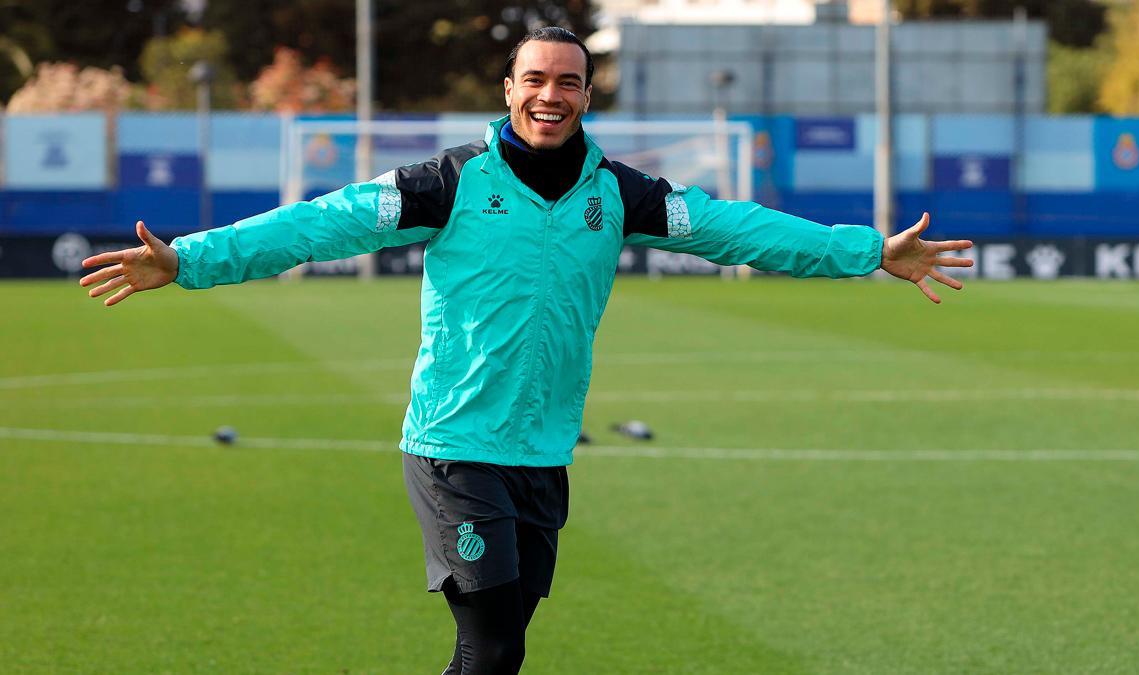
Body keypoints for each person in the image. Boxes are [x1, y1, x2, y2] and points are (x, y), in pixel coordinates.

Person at [80, 27, 973, 674]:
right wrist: (189, 260)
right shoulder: (447, 182)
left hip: (544, 453)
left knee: (506, 641)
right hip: (455, 444)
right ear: (507, 90)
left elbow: (740, 229)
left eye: (570, 82)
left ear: (588, 95)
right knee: (492, 642)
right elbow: (318, 224)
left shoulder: (621, 194)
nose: (552, 95)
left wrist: (868, 251)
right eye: (535, 79)